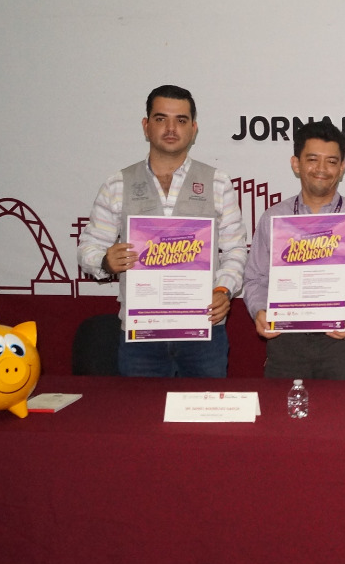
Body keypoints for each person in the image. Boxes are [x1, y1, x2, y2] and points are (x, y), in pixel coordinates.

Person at [78, 85, 247, 377]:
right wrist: (105, 261)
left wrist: (223, 290)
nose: (171, 128)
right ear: (146, 126)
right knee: (142, 408)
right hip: (141, 335)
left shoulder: (218, 182)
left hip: (204, 331)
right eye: (161, 119)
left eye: (181, 120)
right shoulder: (118, 183)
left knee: (203, 408)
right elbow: (88, 247)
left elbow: (236, 250)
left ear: (193, 129)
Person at [242, 120, 345, 380]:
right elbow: (254, 278)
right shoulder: (273, 218)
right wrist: (259, 309)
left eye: (331, 161)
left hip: (342, 342)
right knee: (281, 406)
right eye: (312, 160)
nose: (322, 169)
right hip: (285, 341)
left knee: (343, 408)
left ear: (342, 167)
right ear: (296, 164)